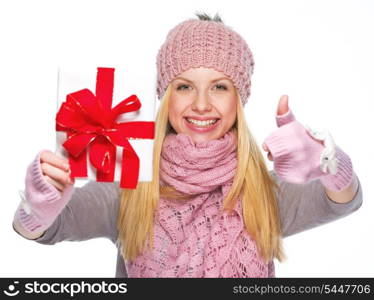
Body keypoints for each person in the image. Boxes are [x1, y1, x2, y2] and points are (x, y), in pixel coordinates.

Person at [13, 12, 362, 278]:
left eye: (219, 87)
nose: (200, 104)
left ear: (238, 100)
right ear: (165, 98)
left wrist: (331, 166)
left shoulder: (261, 191)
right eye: (184, 87)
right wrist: (39, 207)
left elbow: (343, 202)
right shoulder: (131, 186)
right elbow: (40, 229)